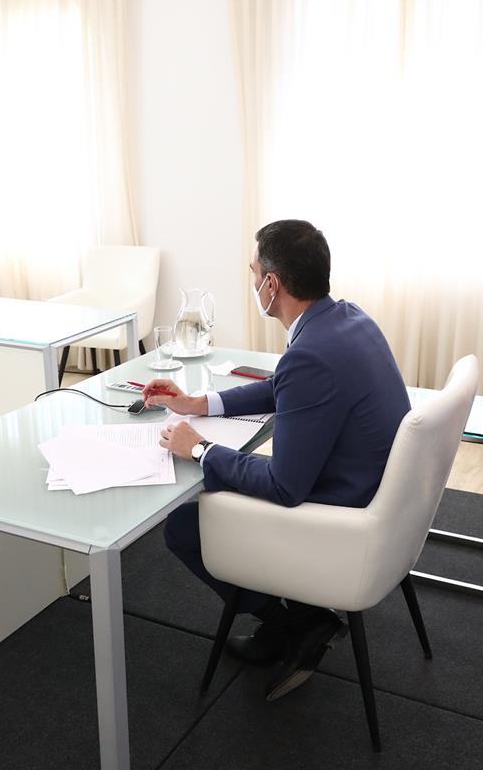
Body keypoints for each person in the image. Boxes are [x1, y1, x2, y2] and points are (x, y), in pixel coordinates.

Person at [144, 219, 411, 702]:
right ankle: (295, 619)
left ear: (272, 284)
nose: (251, 283)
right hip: (383, 500)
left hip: (341, 517)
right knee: (222, 484)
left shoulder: (310, 353)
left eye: (253, 273)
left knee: (184, 525)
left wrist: (199, 448)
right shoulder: (348, 319)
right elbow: (282, 386)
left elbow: (286, 487)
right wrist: (200, 404)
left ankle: (296, 622)